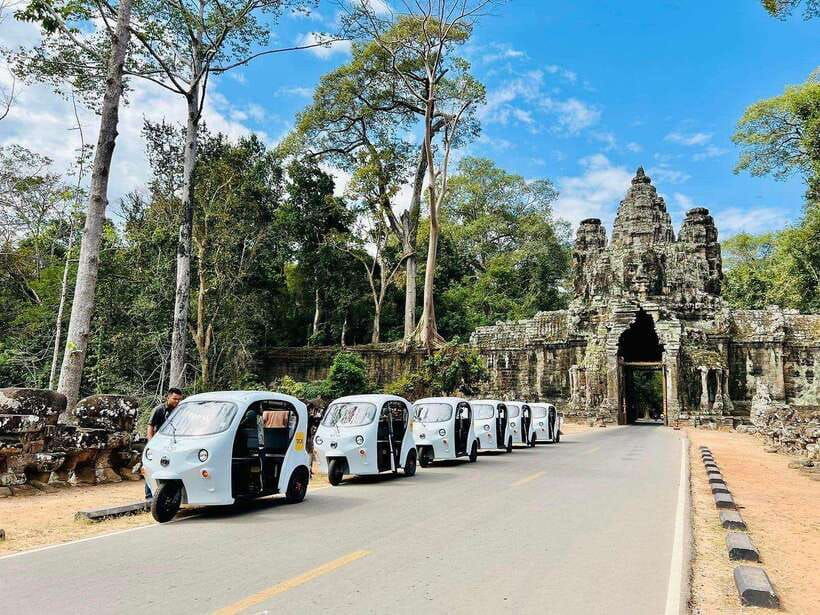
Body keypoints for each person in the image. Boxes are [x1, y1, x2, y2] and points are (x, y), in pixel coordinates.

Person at [144, 388, 184, 499]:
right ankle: (149, 496)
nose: (177, 401)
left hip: (173, 443)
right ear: (168, 397)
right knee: (151, 467)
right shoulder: (159, 410)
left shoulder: (180, 410)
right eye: (175, 399)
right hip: (159, 442)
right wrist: (150, 443)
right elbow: (150, 426)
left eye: (179, 399)